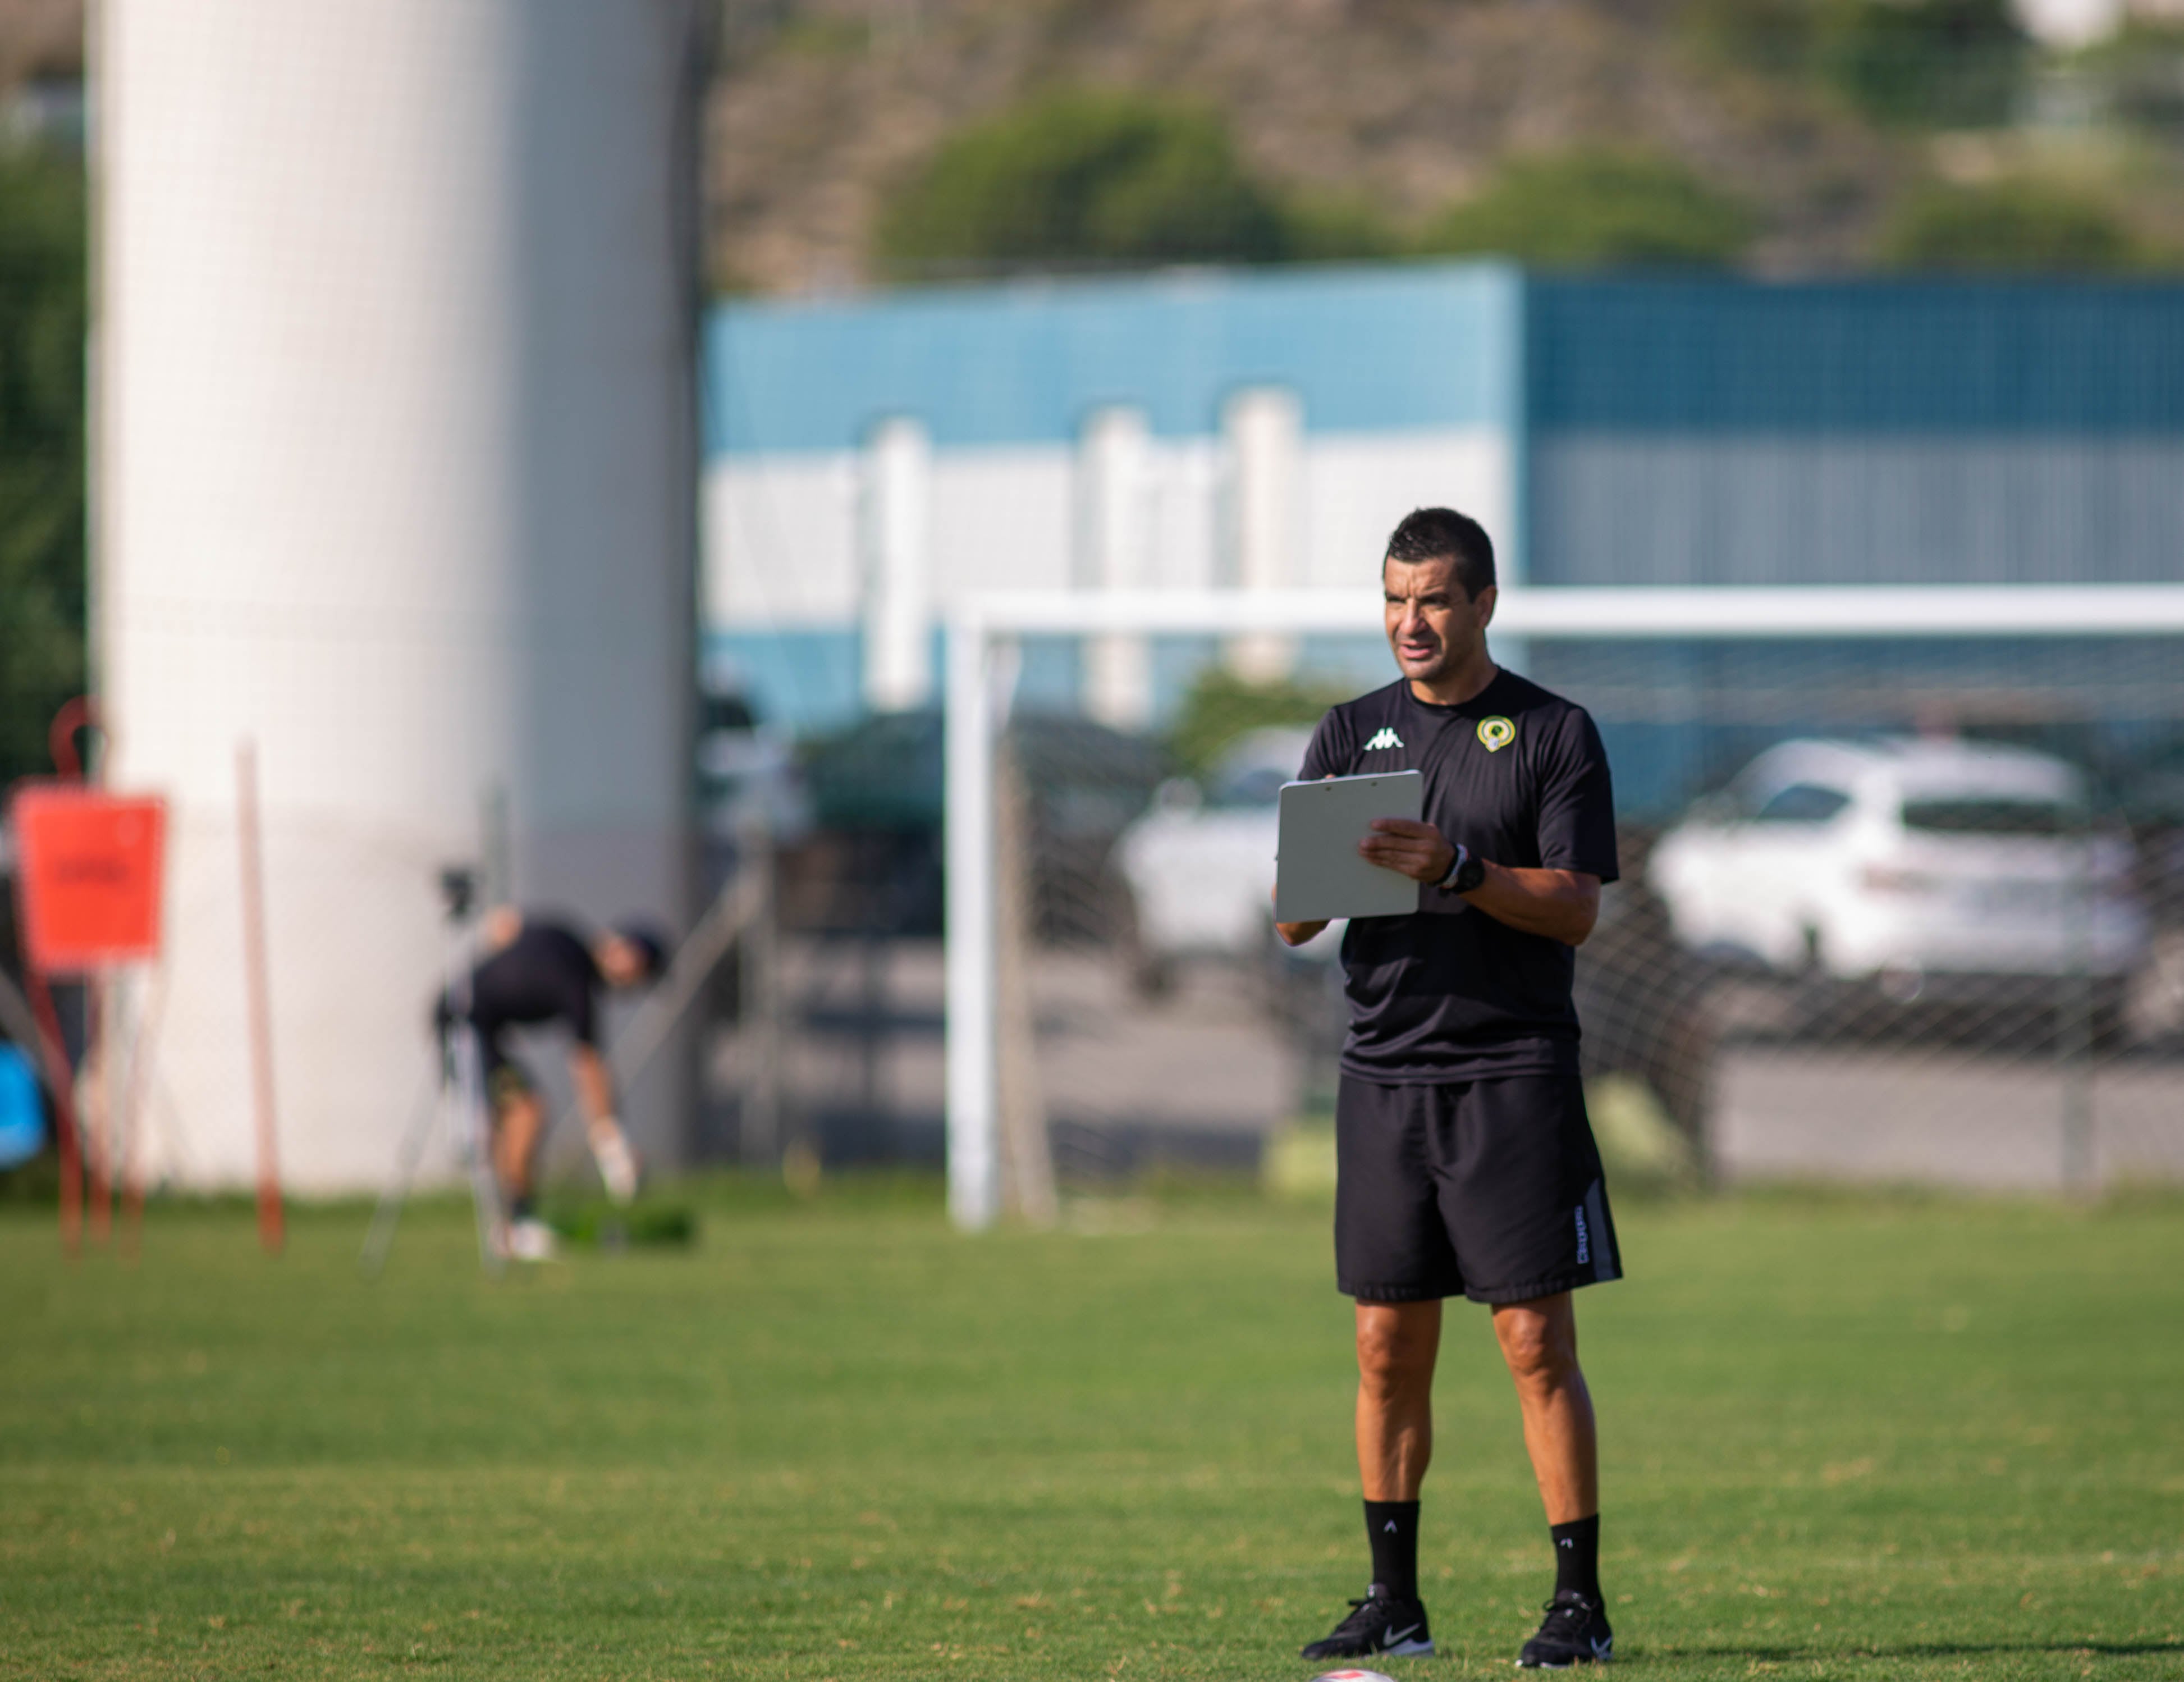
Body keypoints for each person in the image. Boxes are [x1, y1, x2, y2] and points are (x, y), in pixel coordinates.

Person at [1281, 507, 1623, 1670]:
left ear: (1481, 603)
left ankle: (1578, 1604)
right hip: (1383, 1075)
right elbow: (1291, 922)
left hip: (1512, 1071)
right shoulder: (1349, 731)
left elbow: (1575, 907)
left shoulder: (1552, 731)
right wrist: (1314, 877)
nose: (1409, 621)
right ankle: (1394, 1603)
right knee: (1384, 1343)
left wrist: (1462, 869)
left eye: (1431, 598)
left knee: (1532, 1339)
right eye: (1393, 598)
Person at [437, 908, 667, 1262]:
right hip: (465, 1025)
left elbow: (503, 926)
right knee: (525, 1113)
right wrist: (612, 1148)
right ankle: (515, 1227)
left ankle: (510, 1228)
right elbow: (588, 1065)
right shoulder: (578, 980)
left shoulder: (565, 942)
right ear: (617, 946)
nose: (630, 976)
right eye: (635, 964)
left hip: (479, 1027)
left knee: (519, 1113)